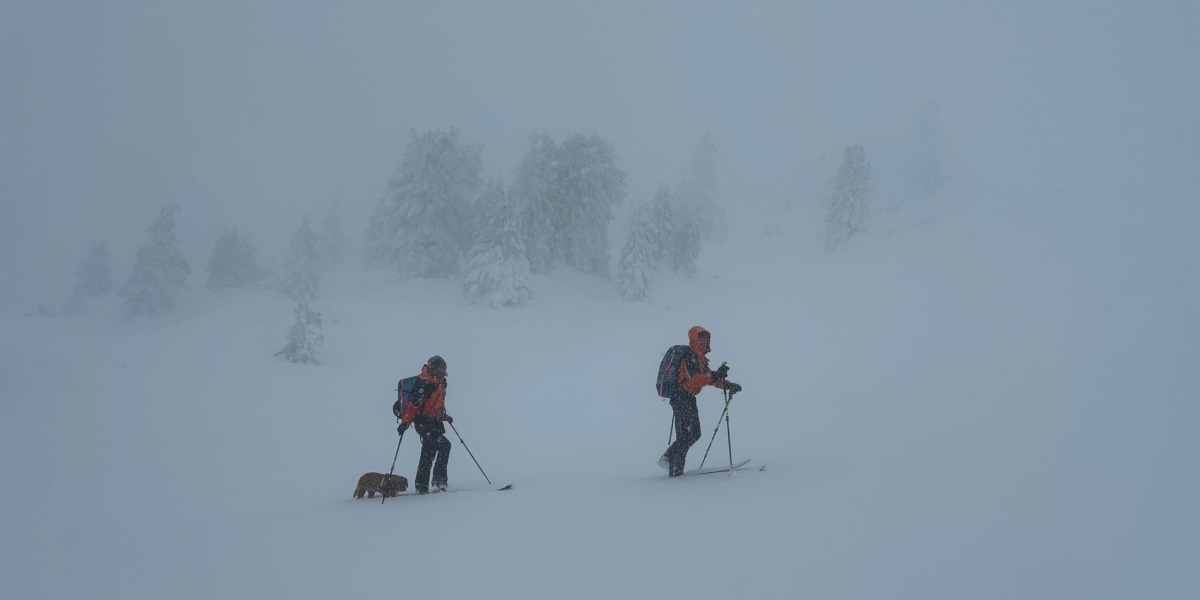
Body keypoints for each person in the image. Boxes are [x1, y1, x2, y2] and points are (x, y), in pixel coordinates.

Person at [658, 326, 742, 477]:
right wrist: (714, 375)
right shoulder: (689, 356)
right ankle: (669, 458)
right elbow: (693, 381)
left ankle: (676, 471)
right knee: (691, 434)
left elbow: (709, 379)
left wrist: (727, 384)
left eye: (706, 338)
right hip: (681, 397)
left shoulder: (700, 359)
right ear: (694, 338)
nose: (705, 341)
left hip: (687, 398)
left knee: (688, 434)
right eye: (701, 338)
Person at [396, 355, 453, 494]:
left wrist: (443, 416)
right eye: (441, 369)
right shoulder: (426, 383)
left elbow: (434, 404)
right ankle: (439, 483)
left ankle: (421, 486)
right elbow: (413, 405)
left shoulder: (440, 382)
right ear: (434, 367)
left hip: (434, 422)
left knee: (428, 451)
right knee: (444, 446)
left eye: (443, 369)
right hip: (423, 423)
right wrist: (405, 423)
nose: (443, 372)